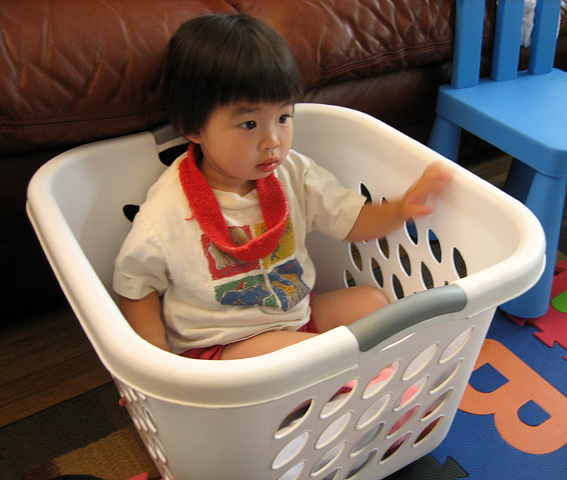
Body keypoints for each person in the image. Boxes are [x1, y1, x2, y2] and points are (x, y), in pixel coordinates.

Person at [113, 13, 452, 360]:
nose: (272, 141)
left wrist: (400, 208)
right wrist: (157, 365)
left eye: (284, 117)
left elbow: (352, 221)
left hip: (294, 316)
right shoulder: (168, 210)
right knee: (319, 357)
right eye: (249, 123)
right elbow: (135, 287)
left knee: (371, 303)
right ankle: (373, 392)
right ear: (194, 127)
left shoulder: (293, 173)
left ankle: (375, 380)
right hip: (221, 350)